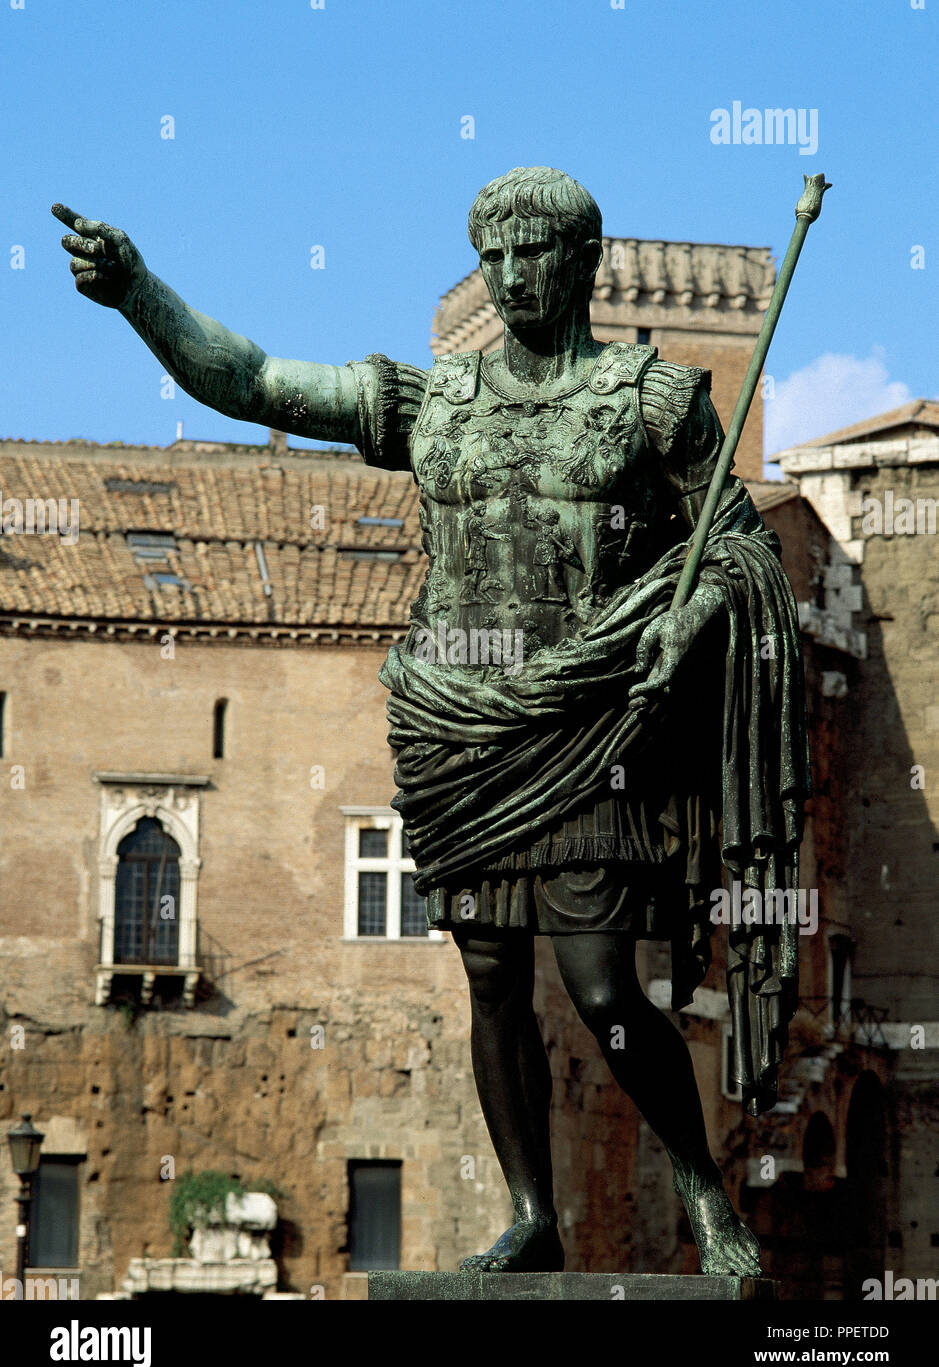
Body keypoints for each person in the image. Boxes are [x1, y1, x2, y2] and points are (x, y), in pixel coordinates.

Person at [54, 166, 809, 1276]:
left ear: (585, 263)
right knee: (491, 977)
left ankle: (702, 1190)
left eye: (532, 252)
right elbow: (253, 381)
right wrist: (138, 292)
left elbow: (743, 548)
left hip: (587, 725)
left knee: (602, 983)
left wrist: (689, 614)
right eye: (490, 256)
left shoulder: (652, 401)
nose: (509, 276)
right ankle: (533, 1214)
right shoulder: (433, 402)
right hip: (456, 728)